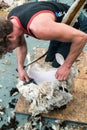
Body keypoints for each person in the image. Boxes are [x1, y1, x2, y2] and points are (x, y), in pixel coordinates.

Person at [0, 1, 87, 82]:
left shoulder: (39, 29)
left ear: (11, 37)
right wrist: (20, 67)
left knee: (58, 69)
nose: (11, 51)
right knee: (49, 60)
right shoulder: (11, 21)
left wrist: (66, 66)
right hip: (58, 25)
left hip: (77, 25)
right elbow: (21, 43)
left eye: (8, 49)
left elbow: (81, 38)